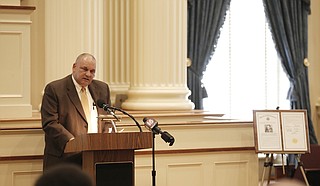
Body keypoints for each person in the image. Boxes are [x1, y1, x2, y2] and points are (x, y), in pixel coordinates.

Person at [41, 53, 112, 171]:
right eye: (84, 69)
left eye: (92, 71)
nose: (88, 74)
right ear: (74, 67)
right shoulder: (55, 89)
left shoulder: (102, 88)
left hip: (96, 157)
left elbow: (108, 118)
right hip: (65, 159)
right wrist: (74, 142)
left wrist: (106, 139)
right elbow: (50, 123)